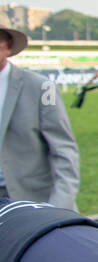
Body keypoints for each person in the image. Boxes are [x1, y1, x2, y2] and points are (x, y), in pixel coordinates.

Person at [0, 27, 79, 210]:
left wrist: (59, 206)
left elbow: (64, 150)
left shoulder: (43, 88)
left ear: (9, 45)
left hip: (30, 203)